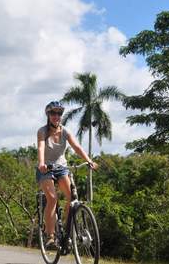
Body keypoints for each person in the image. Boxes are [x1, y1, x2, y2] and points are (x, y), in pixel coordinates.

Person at [37, 101, 98, 248]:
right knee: (52, 198)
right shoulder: (42, 131)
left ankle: (64, 228)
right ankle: (50, 236)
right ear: (48, 115)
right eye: (53, 113)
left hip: (61, 167)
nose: (56, 116)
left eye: (59, 113)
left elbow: (76, 147)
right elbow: (41, 147)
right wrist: (41, 163)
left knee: (72, 198)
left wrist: (89, 160)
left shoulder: (65, 131)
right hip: (46, 168)